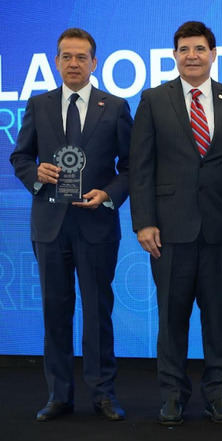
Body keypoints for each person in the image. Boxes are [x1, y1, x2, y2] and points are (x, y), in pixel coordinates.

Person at [129, 21, 222, 425]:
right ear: (175, 56)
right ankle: (172, 395)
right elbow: (141, 166)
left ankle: (218, 394)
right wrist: (144, 222)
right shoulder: (153, 99)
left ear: (213, 54)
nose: (192, 56)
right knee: (171, 318)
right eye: (184, 49)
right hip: (168, 232)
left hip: (221, 230)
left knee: (218, 318)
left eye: (199, 49)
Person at [10, 28, 131, 422]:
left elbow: (130, 168)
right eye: (67, 56)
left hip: (96, 223)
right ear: (57, 61)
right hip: (49, 224)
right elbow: (20, 157)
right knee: (54, 312)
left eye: (81, 57)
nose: (74, 63)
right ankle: (58, 395)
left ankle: (103, 394)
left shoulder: (114, 106)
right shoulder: (39, 105)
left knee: (99, 312)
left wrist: (108, 194)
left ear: (94, 63)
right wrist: (36, 174)